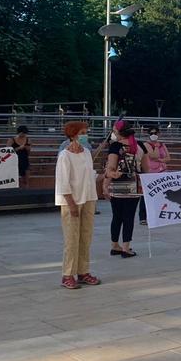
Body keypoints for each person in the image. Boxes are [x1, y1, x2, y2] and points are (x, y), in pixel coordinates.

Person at [55, 122, 101, 289]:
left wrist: (107, 175)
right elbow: (63, 181)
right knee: (71, 239)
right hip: (71, 201)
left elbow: (90, 176)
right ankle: (67, 274)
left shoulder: (87, 152)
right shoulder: (64, 155)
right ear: (73, 135)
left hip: (88, 198)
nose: (85, 135)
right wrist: (71, 203)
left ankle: (83, 271)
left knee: (86, 237)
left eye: (86, 132)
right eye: (82, 132)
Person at [102, 126, 145, 258]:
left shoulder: (115, 146)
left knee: (117, 216)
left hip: (117, 185)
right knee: (129, 217)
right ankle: (126, 247)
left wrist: (105, 185)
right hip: (134, 186)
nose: (113, 134)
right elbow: (146, 168)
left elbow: (111, 167)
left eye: (115, 131)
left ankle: (115, 245)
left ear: (120, 133)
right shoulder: (140, 145)